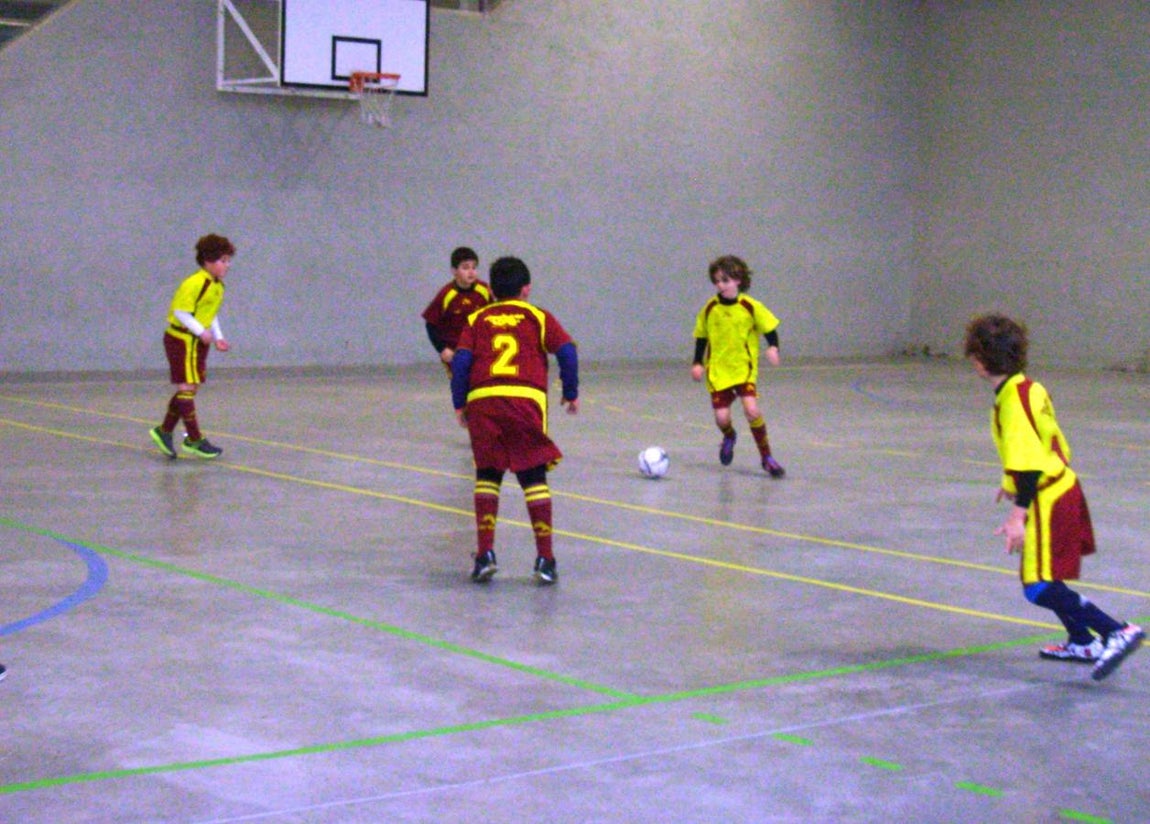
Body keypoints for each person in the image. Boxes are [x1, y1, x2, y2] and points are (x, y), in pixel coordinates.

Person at [964, 313, 1143, 681]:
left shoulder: (1011, 402)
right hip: (1060, 484)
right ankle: (1081, 640)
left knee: (1037, 586)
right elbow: (1037, 443)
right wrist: (1009, 478)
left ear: (979, 360)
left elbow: (1029, 463)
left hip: (1048, 496)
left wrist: (1018, 515)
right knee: (1044, 574)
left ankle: (1113, 630)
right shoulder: (1027, 387)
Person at [451, 256, 579, 585]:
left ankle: (484, 555)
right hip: (524, 401)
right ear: (527, 289)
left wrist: (459, 402)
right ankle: (545, 559)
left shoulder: (478, 317)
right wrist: (571, 390)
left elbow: (462, 361)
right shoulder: (538, 316)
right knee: (533, 477)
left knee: (487, 475)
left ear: (491, 289)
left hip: (484, 402)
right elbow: (566, 351)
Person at [690, 255, 786, 477]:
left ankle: (767, 458)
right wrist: (697, 362)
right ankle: (729, 435)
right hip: (718, 371)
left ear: (738, 280)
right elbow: (701, 337)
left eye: (724, 280)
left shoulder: (750, 306)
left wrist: (773, 348)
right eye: (716, 281)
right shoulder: (709, 308)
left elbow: (770, 330)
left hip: (744, 369)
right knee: (722, 418)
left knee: (752, 410)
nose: (719, 285)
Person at [149, 234, 235, 460]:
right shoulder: (195, 283)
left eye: (228, 260)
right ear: (208, 260)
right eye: (223, 260)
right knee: (186, 387)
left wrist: (218, 336)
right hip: (181, 340)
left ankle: (164, 431)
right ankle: (194, 439)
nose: (227, 265)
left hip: (197, 342)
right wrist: (200, 331)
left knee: (191, 388)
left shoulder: (218, 286)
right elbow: (180, 311)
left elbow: (210, 314)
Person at [422, 247, 491, 376]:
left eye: (474, 267)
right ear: (454, 271)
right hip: (455, 353)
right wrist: (442, 349)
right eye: (465, 268)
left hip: (479, 351)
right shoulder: (446, 294)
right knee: (460, 387)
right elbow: (430, 324)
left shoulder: (485, 290)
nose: (471, 272)